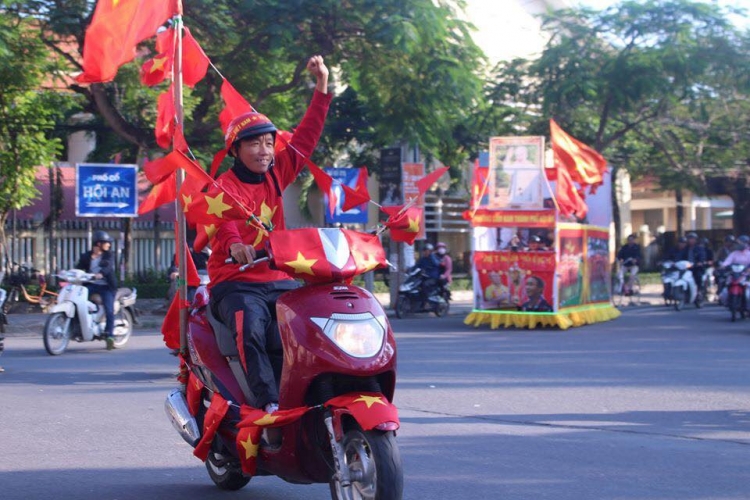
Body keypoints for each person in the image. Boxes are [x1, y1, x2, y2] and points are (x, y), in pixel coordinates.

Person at [207, 55, 331, 416]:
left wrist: (321, 86)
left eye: (267, 143)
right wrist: (236, 246)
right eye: (254, 144)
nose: (263, 151)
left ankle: (316, 394)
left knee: (313, 324)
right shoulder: (222, 187)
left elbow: (307, 138)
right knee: (252, 329)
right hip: (236, 283)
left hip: (278, 277)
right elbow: (225, 224)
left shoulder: (277, 173)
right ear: (236, 150)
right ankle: (268, 402)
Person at [76, 230, 118, 350]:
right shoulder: (86, 256)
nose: (109, 245)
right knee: (78, 300)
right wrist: (69, 274)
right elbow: (79, 268)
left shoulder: (109, 255)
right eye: (106, 242)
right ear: (98, 243)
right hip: (91, 285)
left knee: (109, 310)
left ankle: (110, 335)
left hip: (106, 287)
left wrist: (100, 274)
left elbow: (108, 268)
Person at [678, 231, 707, 296]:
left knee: (698, 276)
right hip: (687, 268)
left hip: (696, 268)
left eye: (692, 239)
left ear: (696, 240)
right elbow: (680, 257)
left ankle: (699, 291)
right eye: (689, 239)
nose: (691, 240)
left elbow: (702, 257)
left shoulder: (699, 248)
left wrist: (700, 263)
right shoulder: (685, 249)